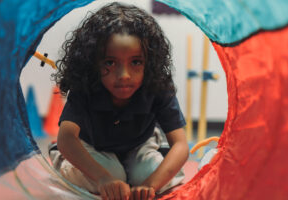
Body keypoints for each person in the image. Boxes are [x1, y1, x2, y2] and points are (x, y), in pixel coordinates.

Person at [50, 2, 188, 200]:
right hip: (93, 145)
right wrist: (102, 178)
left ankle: (130, 176)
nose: (124, 75)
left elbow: (181, 145)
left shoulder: (157, 84)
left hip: (140, 144)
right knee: (113, 176)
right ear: (93, 62)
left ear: (149, 62)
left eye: (136, 62)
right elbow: (67, 138)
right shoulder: (87, 85)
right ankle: (63, 164)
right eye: (110, 62)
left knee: (153, 174)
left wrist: (150, 184)